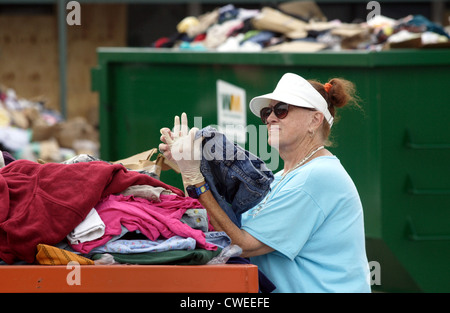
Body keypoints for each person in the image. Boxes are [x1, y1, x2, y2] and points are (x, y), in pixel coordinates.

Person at [159, 73, 371, 293]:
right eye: (266, 112)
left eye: (282, 110)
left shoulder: (317, 176)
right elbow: (217, 232)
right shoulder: (283, 177)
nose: (270, 118)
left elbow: (241, 245)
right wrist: (187, 169)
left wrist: (195, 179)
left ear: (314, 120)